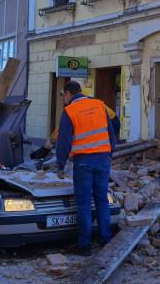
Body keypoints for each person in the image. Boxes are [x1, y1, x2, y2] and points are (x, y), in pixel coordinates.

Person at [55, 81, 117, 256]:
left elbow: (64, 141)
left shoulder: (69, 111)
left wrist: (60, 165)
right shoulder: (99, 105)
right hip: (103, 158)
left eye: (63, 96)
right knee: (102, 200)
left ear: (68, 94)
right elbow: (110, 133)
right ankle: (106, 239)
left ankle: (84, 245)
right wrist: (109, 153)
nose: (63, 99)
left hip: (83, 161)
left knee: (83, 203)